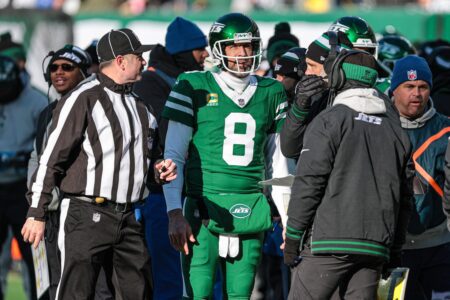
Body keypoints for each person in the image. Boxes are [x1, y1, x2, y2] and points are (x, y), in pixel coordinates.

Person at [21, 28, 177, 300]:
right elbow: (51, 158)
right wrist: (37, 211)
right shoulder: (83, 97)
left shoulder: (140, 107)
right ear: (120, 61)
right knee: (75, 293)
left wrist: (159, 171)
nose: (143, 61)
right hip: (86, 212)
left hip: (129, 216)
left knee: (138, 292)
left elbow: (147, 163)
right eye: (138, 56)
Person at [162, 12, 289, 299]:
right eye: (234, 46)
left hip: (250, 208)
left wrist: (288, 216)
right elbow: (174, 156)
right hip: (201, 209)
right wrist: (173, 212)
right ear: (219, 48)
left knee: (241, 293)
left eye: (248, 46)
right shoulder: (194, 84)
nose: (243, 54)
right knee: (197, 292)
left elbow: (278, 161)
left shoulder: (271, 91)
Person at [284, 50, 414, 299]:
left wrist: (292, 238)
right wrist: (394, 250)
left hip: (328, 243)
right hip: (376, 247)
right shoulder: (395, 130)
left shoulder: (330, 120)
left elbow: (309, 183)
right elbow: (404, 198)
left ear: (339, 77)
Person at [133, 16, 208, 300]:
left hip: (189, 194)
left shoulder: (183, 81)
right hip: (161, 196)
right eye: (199, 48)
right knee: (170, 281)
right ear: (183, 51)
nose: (205, 55)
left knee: (199, 280)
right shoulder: (151, 85)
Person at [390, 55, 450, 300]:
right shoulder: (379, 126)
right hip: (393, 250)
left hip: (439, 246)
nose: (416, 93)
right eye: (409, 86)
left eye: (422, 87)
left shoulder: (446, 130)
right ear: (394, 90)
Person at [0, 52, 48, 300]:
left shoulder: (36, 101)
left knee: (34, 253)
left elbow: (47, 145)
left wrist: (21, 155)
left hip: (24, 188)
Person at [279, 31, 353, 159]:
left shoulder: (362, 101)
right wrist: (299, 109)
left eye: (312, 65)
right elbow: (290, 150)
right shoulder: (319, 97)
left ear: (333, 67)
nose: (307, 72)